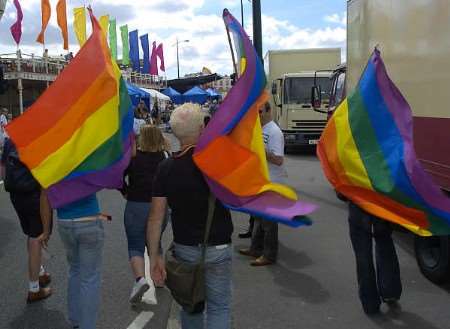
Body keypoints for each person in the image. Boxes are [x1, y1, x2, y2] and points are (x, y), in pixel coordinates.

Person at [148, 103, 233, 329]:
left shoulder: (166, 168)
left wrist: (155, 255)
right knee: (219, 307)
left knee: (190, 304)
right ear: (202, 129)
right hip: (219, 245)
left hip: (185, 247)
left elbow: (156, 217)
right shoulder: (218, 161)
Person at [41, 191, 105, 329]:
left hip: (64, 221)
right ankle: (87, 326)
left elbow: (44, 195)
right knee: (90, 278)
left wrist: (46, 230)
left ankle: (75, 320)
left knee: (74, 269)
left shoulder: (51, 168)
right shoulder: (82, 167)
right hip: (89, 219)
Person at [122, 125, 169, 304]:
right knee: (155, 243)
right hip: (161, 206)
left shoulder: (133, 158)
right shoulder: (165, 157)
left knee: (135, 245)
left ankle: (140, 279)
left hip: (136, 204)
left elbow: (119, 177)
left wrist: (125, 191)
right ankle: (159, 279)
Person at [0, 138, 52, 303]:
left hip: (15, 194)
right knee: (38, 236)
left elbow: (3, 168)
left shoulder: (11, 139)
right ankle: (34, 289)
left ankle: (40, 271)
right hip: (34, 194)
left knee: (31, 235)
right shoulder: (40, 139)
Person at [239, 102, 287, 266]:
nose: (257, 115)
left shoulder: (274, 132)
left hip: (271, 181)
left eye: (260, 112)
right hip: (260, 180)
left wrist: (262, 151)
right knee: (258, 219)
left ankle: (269, 255)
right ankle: (255, 248)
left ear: (268, 111)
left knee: (269, 223)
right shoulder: (260, 129)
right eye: (255, 112)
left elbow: (279, 160)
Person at [348, 201, 402, 315]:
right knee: (384, 244)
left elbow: (341, 187)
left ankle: (370, 303)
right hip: (380, 202)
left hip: (358, 201)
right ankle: (390, 292)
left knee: (363, 255)